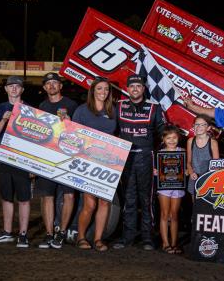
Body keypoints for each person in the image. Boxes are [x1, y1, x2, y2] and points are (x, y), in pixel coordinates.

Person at [113, 74, 166, 251]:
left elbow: (164, 136)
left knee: (147, 199)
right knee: (128, 199)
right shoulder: (118, 106)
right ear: (127, 89)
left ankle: (148, 238)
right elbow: (111, 131)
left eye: (138, 86)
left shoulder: (154, 108)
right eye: (132, 86)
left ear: (143, 89)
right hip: (125, 158)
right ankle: (127, 236)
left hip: (146, 157)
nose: (135, 89)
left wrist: (158, 161)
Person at [72, 77, 116, 252]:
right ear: (93, 91)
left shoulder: (113, 111)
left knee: (104, 203)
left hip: (108, 162)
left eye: (106, 89)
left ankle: (98, 239)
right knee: (89, 204)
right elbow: (72, 134)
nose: (103, 92)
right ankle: (81, 237)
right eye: (99, 89)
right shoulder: (82, 111)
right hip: (87, 161)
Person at [0, 76, 31, 248]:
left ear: (22, 90)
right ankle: (7, 232)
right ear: (5, 89)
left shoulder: (28, 109)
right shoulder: (0, 108)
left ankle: (23, 234)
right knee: (6, 197)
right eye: (10, 86)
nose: (13, 89)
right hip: (4, 159)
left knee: (24, 198)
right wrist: (4, 119)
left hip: (22, 160)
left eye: (17, 86)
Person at [36, 72, 78, 249]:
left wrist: (70, 123)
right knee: (47, 196)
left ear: (61, 86)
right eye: (48, 84)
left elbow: (81, 134)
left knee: (69, 194)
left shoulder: (71, 105)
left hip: (67, 157)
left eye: (55, 83)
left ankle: (61, 232)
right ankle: (49, 234)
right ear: (45, 88)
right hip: (47, 157)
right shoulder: (42, 106)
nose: (52, 86)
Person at [154, 125, 185, 254]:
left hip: (177, 186)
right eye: (168, 138)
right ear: (163, 139)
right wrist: (155, 171)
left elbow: (186, 167)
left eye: (174, 138)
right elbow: (156, 170)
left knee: (174, 215)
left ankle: (174, 243)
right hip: (164, 187)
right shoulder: (160, 153)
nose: (172, 141)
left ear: (178, 138)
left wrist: (187, 171)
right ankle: (165, 243)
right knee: (164, 214)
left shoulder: (182, 151)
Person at [186, 115, 219, 200]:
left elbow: (217, 165)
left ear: (208, 128)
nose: (199, 127)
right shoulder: (190, 141)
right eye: (196, 124)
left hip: (209, 180)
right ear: (193, 126)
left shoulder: (213, 143)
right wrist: (191, 172)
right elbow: (189, 162)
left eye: (202, 125)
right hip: (194, 178)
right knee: (195, 207)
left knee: (206, 209)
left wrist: (209, 179)